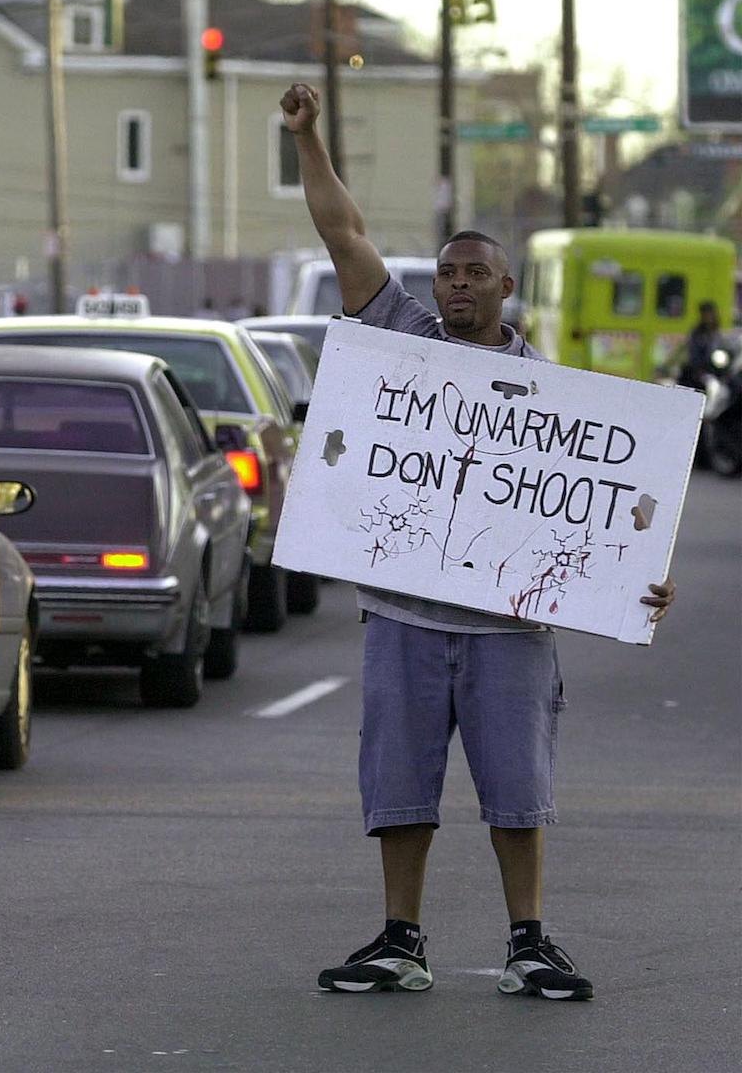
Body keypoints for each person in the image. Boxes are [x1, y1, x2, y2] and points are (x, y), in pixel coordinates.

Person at [280, 81, 676, 1002]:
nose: (455, 284)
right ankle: (400, 941)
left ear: (505, 287)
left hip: (508, 632)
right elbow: (344, 234)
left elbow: (614, 512)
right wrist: (307, 141)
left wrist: (639, 583)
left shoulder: (554, 396)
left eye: (472, 274)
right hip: (405, 620)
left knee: (517, 793)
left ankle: (529, 943)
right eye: (445, 274)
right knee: (399, 789)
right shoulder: (402, 340)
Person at [680, 300, 724, 388]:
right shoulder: (696, 334)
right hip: (698, 372)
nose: (707, 317)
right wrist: (699, 371)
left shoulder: (717, 334)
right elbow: (693, 355)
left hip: (715, 372)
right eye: (705, 314)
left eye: (709, 314)